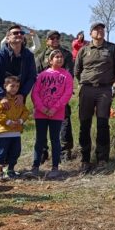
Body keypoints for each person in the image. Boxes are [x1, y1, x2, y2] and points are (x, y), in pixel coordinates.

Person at [74, 22, 115, 175]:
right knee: (85, 124)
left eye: (102, 29)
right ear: (91, 33)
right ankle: (85, 159)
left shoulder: (112, 48)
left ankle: (102, 158)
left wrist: (108, 82)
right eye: (96, 29)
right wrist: (85, 82)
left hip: (104, 90)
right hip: (87, 89)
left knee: (103, 124)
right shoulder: (84, 50)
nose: (100, 31)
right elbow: (77, 70)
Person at [0, 25, 37, 161]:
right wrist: (1, 96)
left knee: (13, 131)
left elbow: (31, 77)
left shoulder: (28, 55)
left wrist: (22, 94)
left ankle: (6, 166)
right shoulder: (0, 55)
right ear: (8, 38)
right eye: (15, 33)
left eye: (21, 33)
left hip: (18, 99)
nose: (18, 35)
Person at [30, 48, 74, 179]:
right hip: (41, 113)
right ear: (50, 60)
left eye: (61, 57)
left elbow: (67, 94)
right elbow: (35, 93)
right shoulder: (42, 75)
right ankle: (35, 166)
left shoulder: (66, 76)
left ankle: (55, 167)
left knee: (55, 139)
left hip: (57, 113)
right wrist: (42, 108)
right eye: (56, 57)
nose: (59, 59)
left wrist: (55, 108)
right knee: (40, 139)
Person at [35, 30, 76, 162]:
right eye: (52, 38)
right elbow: (37, 75)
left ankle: (65, 151)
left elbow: (70, 73)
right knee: (42, 126)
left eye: (57, 38)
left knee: (65, 121)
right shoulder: (41, 56)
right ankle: (43, 152)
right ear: (47, 40)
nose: (55, 40)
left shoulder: (66, 54)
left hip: (61, 95)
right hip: (44, 97)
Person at [0, 75, 30, 180]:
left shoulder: (18, 100)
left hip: (16, 132)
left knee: (15, 152)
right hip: (3, 131)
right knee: (2, 153)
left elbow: (25, 112)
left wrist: (21, 121)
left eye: (17, 86)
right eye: (12, 86)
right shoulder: (1, 100)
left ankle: (10, 170)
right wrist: (8, 122)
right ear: (5, 86)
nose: (15, 88)